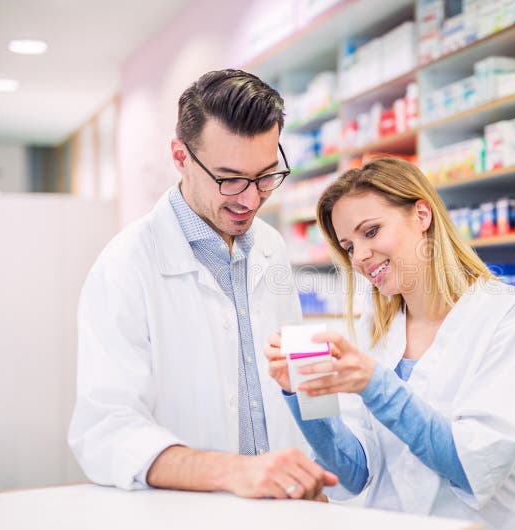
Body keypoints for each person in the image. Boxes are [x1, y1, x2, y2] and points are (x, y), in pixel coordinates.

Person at [68, 69, 337, 500]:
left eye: (266, 175)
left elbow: (304, 373)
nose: (250, 199)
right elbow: (105, 431)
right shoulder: (125, 265)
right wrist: (233, 472)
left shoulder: (272, 246)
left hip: (286, 508)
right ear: (180, 156)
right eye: (229, 179)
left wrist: (324, 464)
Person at [265, 158, 515, 528]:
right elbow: (353, 472)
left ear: (422, 215)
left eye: (370, 232)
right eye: (349, 246)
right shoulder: (380, 329)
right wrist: (304, 394)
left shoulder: (508, 318)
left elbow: (474, 466)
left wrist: (374, 384)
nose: (360, 258)